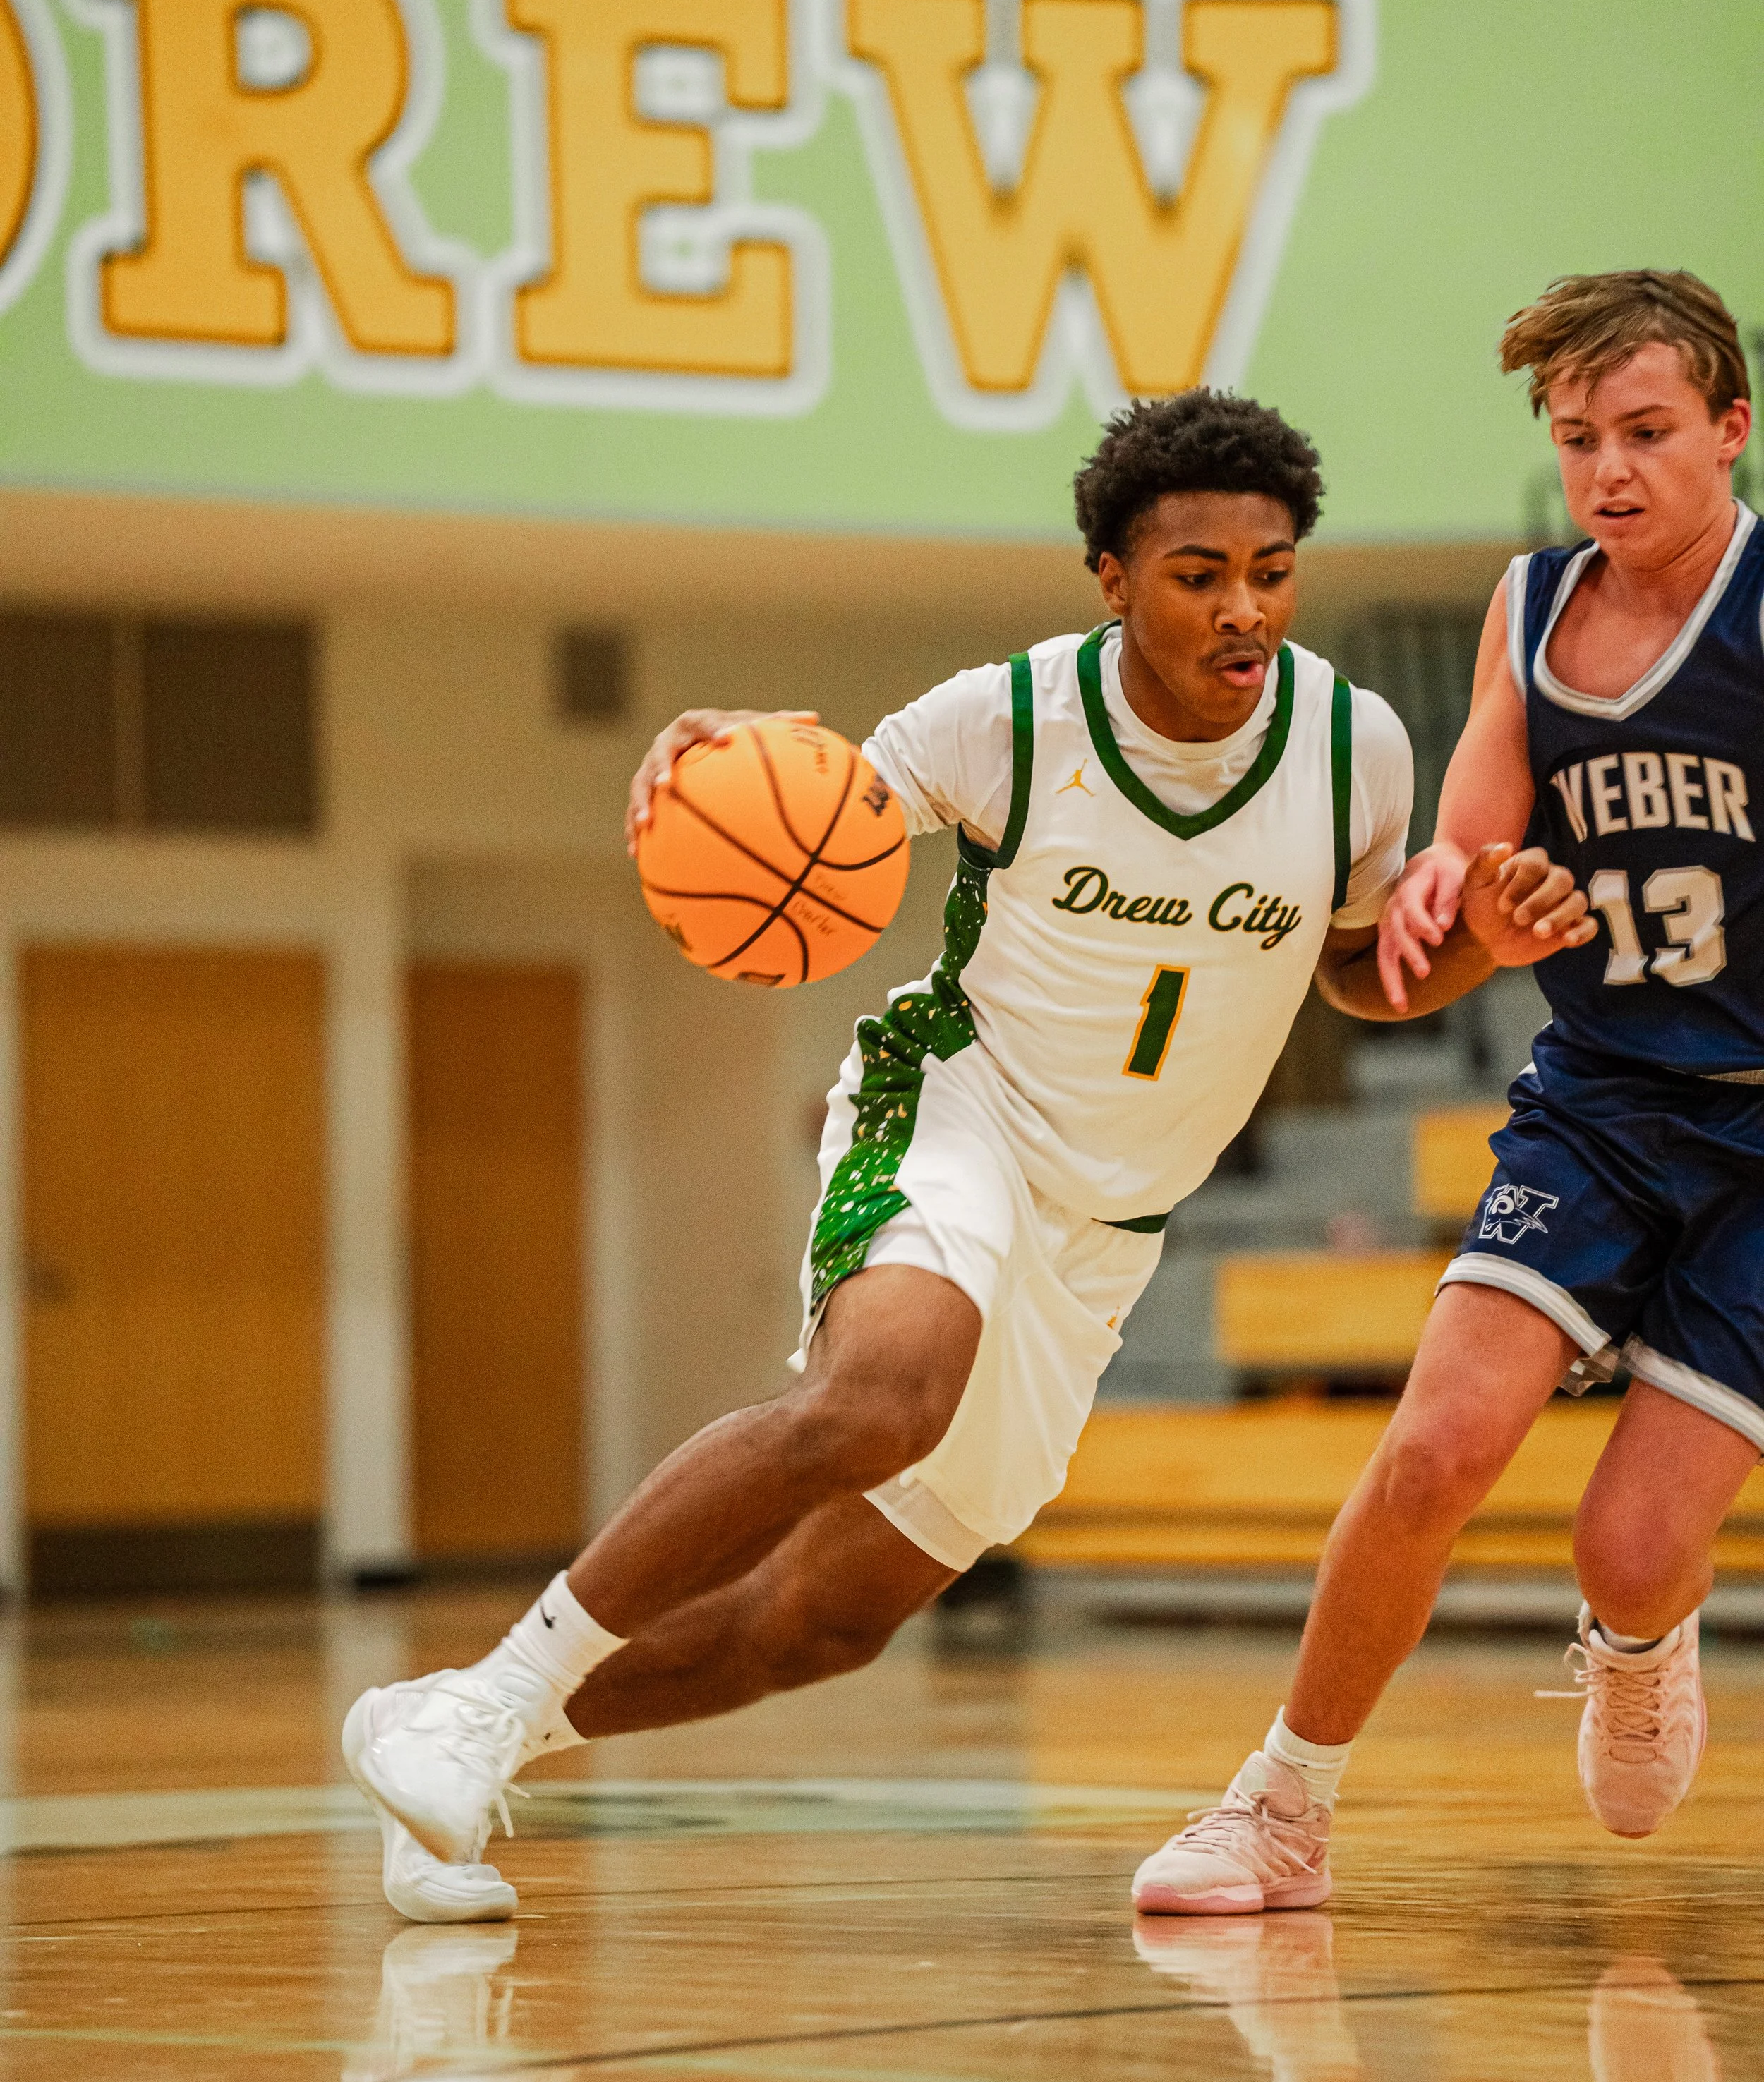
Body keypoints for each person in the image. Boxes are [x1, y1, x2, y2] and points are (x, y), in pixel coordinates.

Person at [342, 387, 1581, 1923]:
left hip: (1110, 1226)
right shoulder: (1007, 719)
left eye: (1269, 570)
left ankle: (462, 1720)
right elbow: (815, 804)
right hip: (959, 1110)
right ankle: (480, 1712)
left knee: (823, 1625)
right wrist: (713, 750)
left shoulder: (1353, 747)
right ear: (1113, 581)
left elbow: (1355, 972)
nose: (1242, 607)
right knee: (878, 1397)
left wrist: (1473, 946)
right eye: (1196, 574)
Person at [1135, 270, 1756, 1917]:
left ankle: (1640, 1628)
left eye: (1644, 433)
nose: (1607, 471)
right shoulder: (1530, 608)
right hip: (1605, 1101)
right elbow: (1464, 876)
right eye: (1576, 440)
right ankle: (1278, 1810)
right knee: (1432, 1450)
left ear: (1728, 432)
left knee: (1624, 1546)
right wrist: (1453, 904)